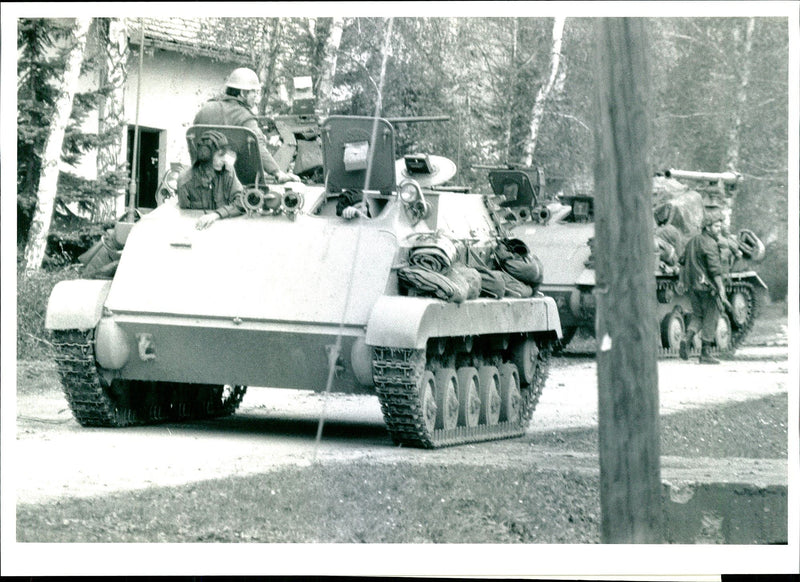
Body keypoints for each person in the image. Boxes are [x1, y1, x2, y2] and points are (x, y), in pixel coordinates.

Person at [194, 67, 299, 184]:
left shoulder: (205, 109)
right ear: (243, 93)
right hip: (237, 184)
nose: (256, 96)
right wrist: (277, 172)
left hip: (203, 178)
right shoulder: (245, 117)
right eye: (254, 91)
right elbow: (258, 148)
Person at [678, 207, 733, 364]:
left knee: (698, 316)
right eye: (716, 226)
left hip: (692, 286)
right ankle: (705, 353)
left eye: (719, 226)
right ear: (707, 227)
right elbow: (715, 270)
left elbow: (682, 260)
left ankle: (686, 338)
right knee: (711, 317)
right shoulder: (710, 243)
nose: (719, 229)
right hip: (707, 288)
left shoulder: (692, 241)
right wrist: (721, 289)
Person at [177, 130, 244, 230]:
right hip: (198, 230)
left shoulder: (228, 172)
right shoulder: (185, 182)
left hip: (225, 228)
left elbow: (241, 202)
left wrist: (215, 215)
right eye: (220, 155)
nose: (225, 159)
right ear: (206, 156)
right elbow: (184, 218)